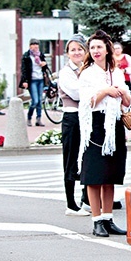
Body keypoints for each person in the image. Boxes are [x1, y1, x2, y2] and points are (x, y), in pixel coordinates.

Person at [78, 30, 131, 237]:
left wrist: (123, 92)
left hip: (115, 123)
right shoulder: (88, 73)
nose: (95, 51)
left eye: (99, 47)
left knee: (110, 174)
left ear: (107, 49)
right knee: (94, 175)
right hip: (96, 124)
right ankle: (96, 220)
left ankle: (108, 218)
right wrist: (105, 92)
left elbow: (126, 103)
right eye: (92, 48)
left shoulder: (115, 71)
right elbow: (87, 102)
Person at [57, 35, 90, 216]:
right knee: (70, 160)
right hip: (72, 118)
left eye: (80, 49)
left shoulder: (88, 69)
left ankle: (86, 199)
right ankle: (71, 204)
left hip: (87, 118)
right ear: (68, 53)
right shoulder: (66, 72)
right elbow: (77, 94)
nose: (77, 53)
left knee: (87, 158)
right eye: (73, 50)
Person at [19, 38, 48, 127]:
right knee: (35, 101)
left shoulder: (40, 55)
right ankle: (29, 117)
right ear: (30, 46)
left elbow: (44, 67)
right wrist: (24, 80)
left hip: (40, 80)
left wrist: (44, 65)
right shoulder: (26, 56)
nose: (36, 46)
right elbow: (23, 69)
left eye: (37, 44)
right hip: (32, 81)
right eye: (34, 44)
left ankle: (38, 119)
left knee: (40, 101)